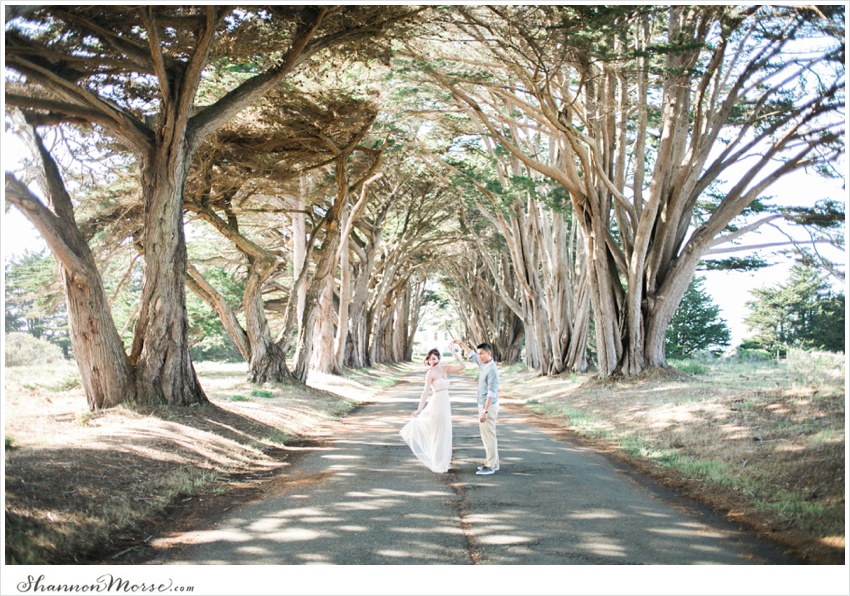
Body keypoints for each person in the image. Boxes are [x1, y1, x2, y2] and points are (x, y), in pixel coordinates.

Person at [400, 347, 465, 473]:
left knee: (445, 432)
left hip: (445, 404)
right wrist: (419, 409)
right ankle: (438, 462)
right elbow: (425, 392)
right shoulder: (430, 373)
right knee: (438, 432)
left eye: (433, 359)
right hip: (437, 403)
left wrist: (454, 353)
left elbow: (462, 366)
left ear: (439, 358)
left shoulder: (445, 368)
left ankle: (444, 461)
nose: (431, 362)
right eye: (429, 359)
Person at [453, 340, 500, 475]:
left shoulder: (492, 370)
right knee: (487, 436)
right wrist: (461, 344)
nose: (479, 356)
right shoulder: (484, 364)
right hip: (483, 406)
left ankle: (491, 466)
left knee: (489, 437)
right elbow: (472, 355)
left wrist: (484, 411)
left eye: (482, 354)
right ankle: (493, 463)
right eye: (479, 354)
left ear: (489, 353)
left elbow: (492, 392)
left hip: (488, 407)